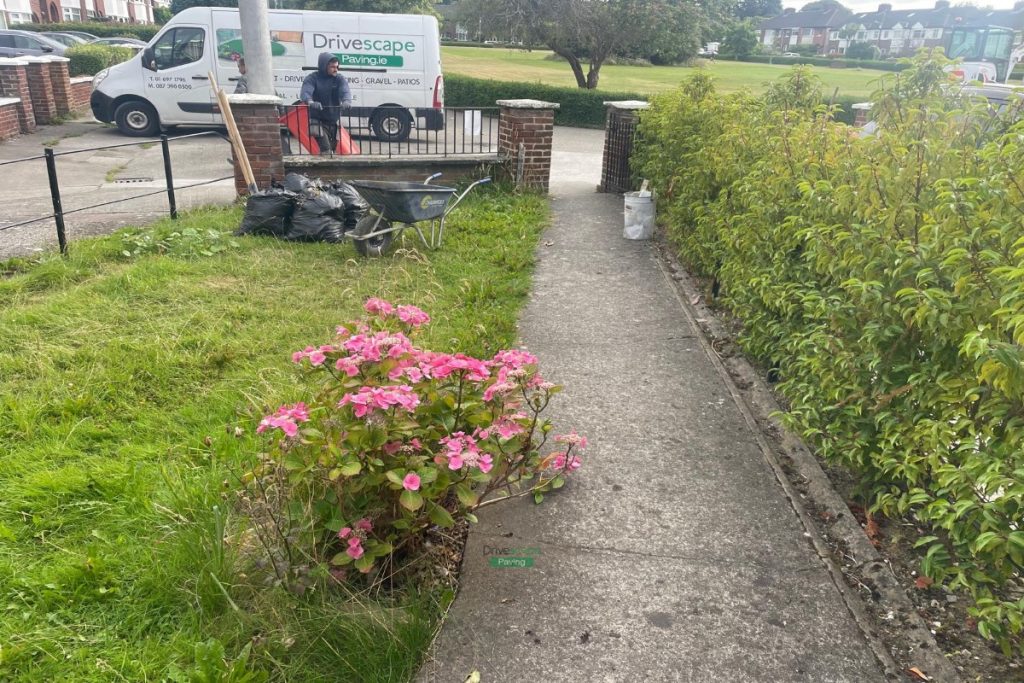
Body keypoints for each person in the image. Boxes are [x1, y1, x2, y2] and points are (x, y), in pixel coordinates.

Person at [300, 52, 352, 155]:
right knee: (326, 149)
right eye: (332, 67)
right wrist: (310, 102)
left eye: (337, 67)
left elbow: (345, 90)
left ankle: (326, 169)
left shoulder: (339, 78)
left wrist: (346, 100)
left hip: (334, 121)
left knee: (332, 150)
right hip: (318, 120)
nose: (336, 69)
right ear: (324, 66)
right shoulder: (312, 78)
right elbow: (306, 92)